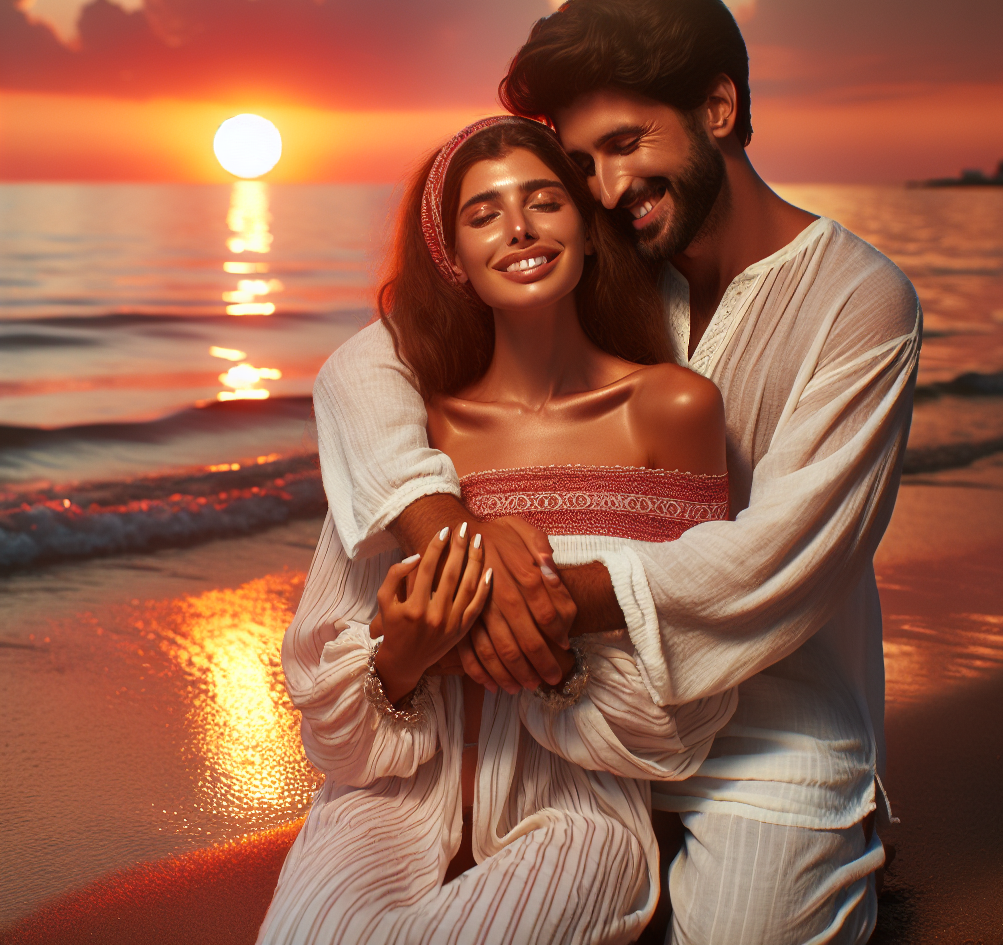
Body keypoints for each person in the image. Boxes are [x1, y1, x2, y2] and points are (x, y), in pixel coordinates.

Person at [315, 0, 922, 945]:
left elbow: (781, 555)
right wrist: (448, 528)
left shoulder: (862, 300)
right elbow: (369, 361)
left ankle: (843, 849)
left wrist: (539, 597)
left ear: (718, 108)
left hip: (771, 711)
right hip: (572, 695)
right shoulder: (610, 252)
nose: (603, 188)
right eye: (583, 160)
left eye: (627, 144)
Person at [258, 116, 739, 945]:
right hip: (386, 804)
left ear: (589, 229)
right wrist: (401, 653)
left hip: (578, 813)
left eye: (543, 202)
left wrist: (548, 649)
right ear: (454, 262)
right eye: (482, 215)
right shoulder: (415, 439)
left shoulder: (672, 408)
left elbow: (693, 700)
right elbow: (331, 737)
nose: (517, 229)